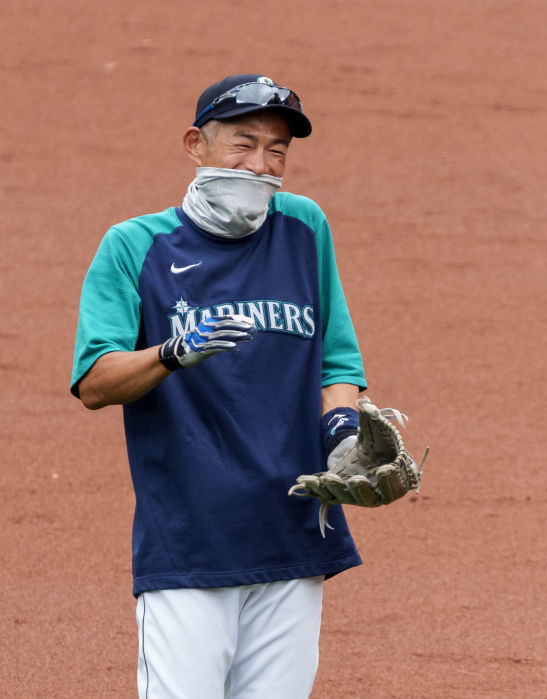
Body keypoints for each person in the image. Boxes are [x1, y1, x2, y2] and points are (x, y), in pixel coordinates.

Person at [71, 74, 369, 698]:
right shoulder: (135, 247)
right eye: (243, 143)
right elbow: (96, 381)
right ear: (195, 144)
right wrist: (174, 352)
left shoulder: (304, 227)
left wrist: (345, 433)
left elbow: (337, 362)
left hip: (295, 533)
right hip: (191, 543)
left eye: (277, 150)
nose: (260, 164)